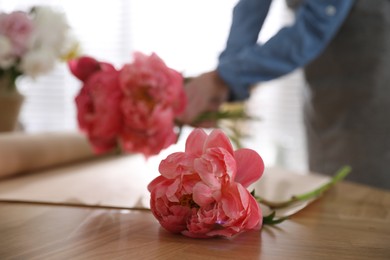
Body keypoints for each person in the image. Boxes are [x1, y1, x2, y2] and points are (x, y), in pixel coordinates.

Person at [178, 0, 390, 190]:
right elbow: (251, 7)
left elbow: (315, 25)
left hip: (374, 80)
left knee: (367, 195)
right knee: (329, 189)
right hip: (325, 89)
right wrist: (225, 76)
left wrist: (224, 76)